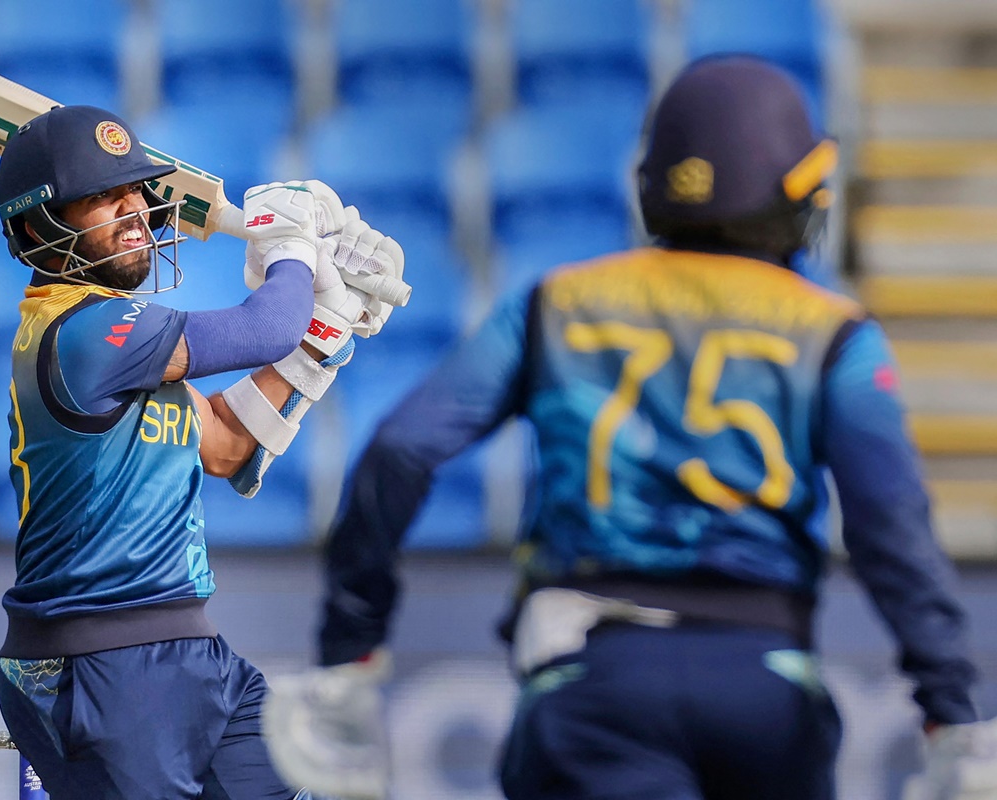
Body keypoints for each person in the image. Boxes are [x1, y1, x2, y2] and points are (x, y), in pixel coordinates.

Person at [262, 56, 989, 800]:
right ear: (794, 193)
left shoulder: (555, 303)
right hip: (767, 687)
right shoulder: (839, 334)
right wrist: (952, 711)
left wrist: (349, 654)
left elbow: (401, 449)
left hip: (591, 683)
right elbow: (891, 528)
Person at [0, 103, 404, 800]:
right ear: (38, 225)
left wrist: (324, 333)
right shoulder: (86, 333)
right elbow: (265, 326)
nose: (132, 212)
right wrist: (292, 247)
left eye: (133, 192)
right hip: (93, 662)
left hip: (188, 650)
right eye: (101, 197)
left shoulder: (135, 352)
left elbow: (227, 445)